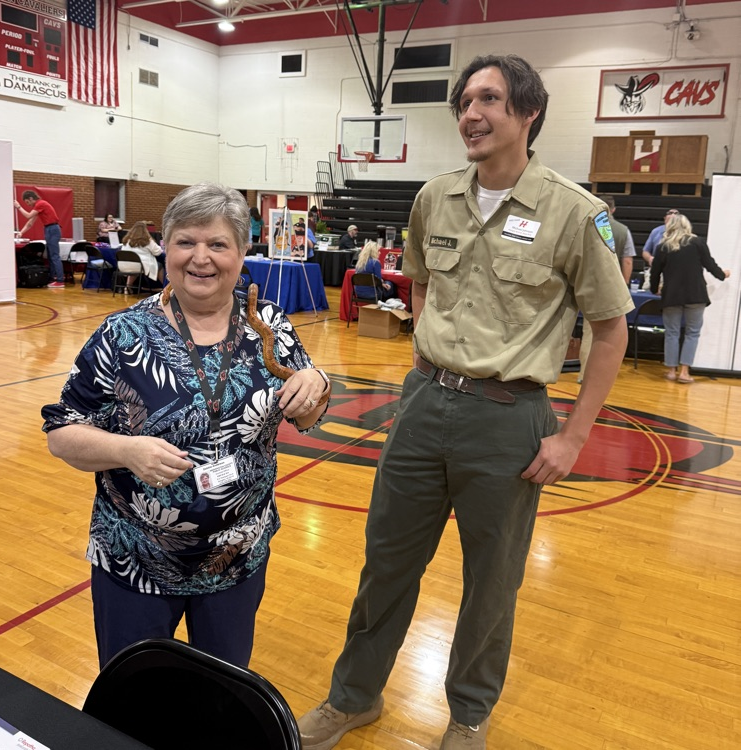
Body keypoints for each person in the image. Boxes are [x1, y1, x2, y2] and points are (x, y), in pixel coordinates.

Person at [297, 53, 633, 750]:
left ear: (528, 113)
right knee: (386, 562)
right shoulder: (434, 197)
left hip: (510, 419)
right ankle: (352, 698)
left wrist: (572, 437)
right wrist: (431, 357)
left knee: (491, 584)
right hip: (424, 405)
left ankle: (470, 716)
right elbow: (419, 285)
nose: (470, 115)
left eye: (488, 100)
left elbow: (610, 331)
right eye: (463, 102)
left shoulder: (578, 214)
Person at [41, 182, 331, 670]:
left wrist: (316, 381)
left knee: (221, 700)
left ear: (242, 254)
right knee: (133, 701)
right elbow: (61, 432)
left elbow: (308, 412)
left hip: (236, 559)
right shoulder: (122, 334)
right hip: (135, 562)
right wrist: (125, 451)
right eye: (186, 242)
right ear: (166, 248)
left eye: (218, 244)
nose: (201, 258)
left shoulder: (270, 325)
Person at [649, 213, 730, 383]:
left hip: (671, 295)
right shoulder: (698, 243)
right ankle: (684, 372)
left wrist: (655, 288)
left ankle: (671, 371)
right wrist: (723, 275)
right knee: (692, 333)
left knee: (671, 333)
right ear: (688, 226)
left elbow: (655, 272)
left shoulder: (663, 246)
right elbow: (710, 265)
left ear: (670, 227)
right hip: (695, 295)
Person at [578, 194, 636, 382]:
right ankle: (601, 379)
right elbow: (627, 260)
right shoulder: (623, 230)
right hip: (612, 286)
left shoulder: (584, 223)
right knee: (611, 334)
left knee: (589, 333)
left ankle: (583, 375)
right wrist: (624, 286)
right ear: (613, 209)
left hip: (586, 284)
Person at [14, 190, 65, 288]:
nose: (28, 205)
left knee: (54, 256)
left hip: (52, 229)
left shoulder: (40, 204)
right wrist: (21, 232)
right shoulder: (39, 207)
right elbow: (30, 222)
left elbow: (28, 215)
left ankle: (60, 280)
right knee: (50, 256)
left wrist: (19, 207)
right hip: (49, 229)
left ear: (31, 198)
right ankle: (53, 278)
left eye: (27, 202)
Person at [121, 220, 164, 291]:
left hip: (125, 265)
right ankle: (165, 287)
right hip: (140, 266)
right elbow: (158, 252)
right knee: (159, 266)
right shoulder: (147, 241)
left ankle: (128, 286)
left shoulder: (126, 240)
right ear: (145, 230)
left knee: (135, 267)